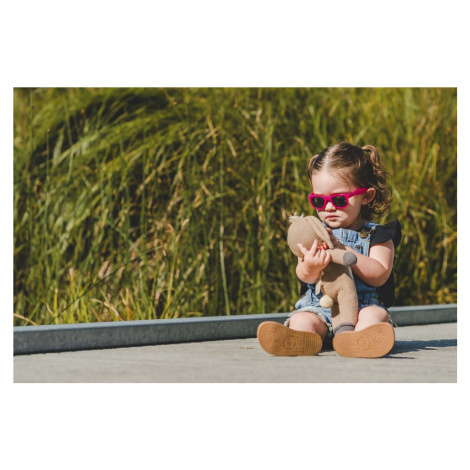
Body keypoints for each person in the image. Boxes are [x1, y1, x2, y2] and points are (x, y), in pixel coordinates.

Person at [257, 142, 401, 358]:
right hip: (320, 307)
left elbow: (379, 275)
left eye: (339, 199)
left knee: (374, 316)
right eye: (319, 200)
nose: (329, 207)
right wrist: (311, 267)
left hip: (361, 308)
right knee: (302, 319)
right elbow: (303, 274)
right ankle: (300, 339)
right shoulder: (314, 232)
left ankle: (361, 340)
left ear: (366, 196)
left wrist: (342, 250)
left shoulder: (377, 235)